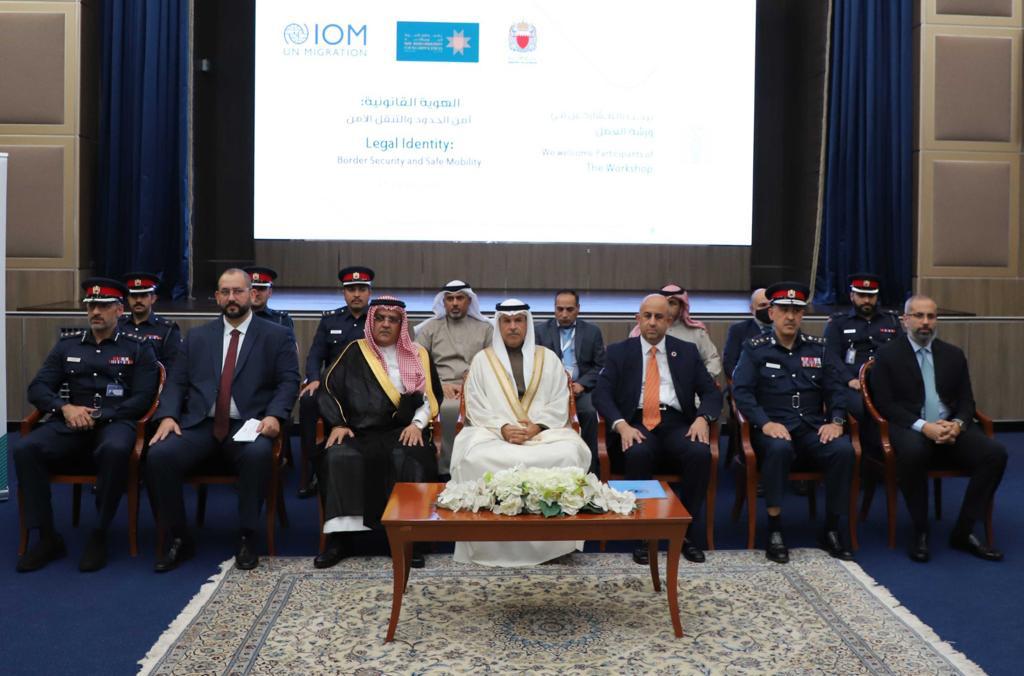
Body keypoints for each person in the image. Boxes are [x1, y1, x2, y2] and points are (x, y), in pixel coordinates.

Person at [146, 268, 300, 572]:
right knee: (159, 455)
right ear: (217, 297)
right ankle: (179, 537)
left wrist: (274, 415)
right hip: (201, 424)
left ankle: (247, 536)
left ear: (251, 294)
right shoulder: (197, 337)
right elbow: (176, 382)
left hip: (249, 424)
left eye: (238, 291)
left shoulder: (276, 336)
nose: (232, 298)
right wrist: (168, 416)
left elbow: (288, 381)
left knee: (257, 455)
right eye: (225, 292)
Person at [14, 279, 159, 572]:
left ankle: (99, 533)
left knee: (115, 450)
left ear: (119, 310)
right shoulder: (67, 346)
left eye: (103, 306)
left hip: (116, 421)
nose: (95, 312)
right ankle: (46, 537)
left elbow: (144, 398)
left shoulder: (138, 348)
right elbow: (38, 388)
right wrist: (65, 408)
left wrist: (100, 415)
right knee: (25, 449)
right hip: (72, 421)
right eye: (91, 306)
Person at [451, 299, 591, 567]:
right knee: (473, 457)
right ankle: (488, 543)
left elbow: (559, 400)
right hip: (493, 432)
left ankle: (554, 544)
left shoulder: (548, 358)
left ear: (527, 324)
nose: (513, 327)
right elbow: (476, 405)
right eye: (506, 321)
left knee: (569, 453)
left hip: (543, 432)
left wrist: (537, 426)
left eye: (518, 321)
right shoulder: (482, 360)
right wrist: (503, 428)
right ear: (498, 325)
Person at [869, 295, 1007, 562]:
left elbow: (967, 402)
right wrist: (924, 427)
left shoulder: (953, 354)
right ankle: (920, 530)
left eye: (931, 316)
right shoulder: (887, 355)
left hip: (949, 427)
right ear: (905, 320)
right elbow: (885, 405)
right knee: (914, 451)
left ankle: (964, 531)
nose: (925, 322)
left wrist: (958, 424)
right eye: (918, 316)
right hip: (910, 425)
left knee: (995, 454)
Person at [732, 281, 856, 563]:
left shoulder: (818, 348)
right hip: (773, 426)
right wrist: (764, 423)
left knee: (843, 450)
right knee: (778, 449)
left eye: (796, 311)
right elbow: (741, 392)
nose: (790, 317)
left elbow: (836, 389)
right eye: (784, 310)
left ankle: (832, 528)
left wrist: (836, 421)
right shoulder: (755, 349)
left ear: (802, 315)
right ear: (771, 313)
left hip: (812, 427)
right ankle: (775, 529)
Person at [315, 296, 443, 569]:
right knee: (337, 457)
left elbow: (429, 399)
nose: (385, 324)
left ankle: (410, 537)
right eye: (380, 318)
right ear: (371, 321)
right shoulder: (354, 351)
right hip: (360, 432)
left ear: (401, 324)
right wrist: (338, 423)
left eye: (392, 320)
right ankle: (340, 539)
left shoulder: (418, 354)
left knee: (413, 458)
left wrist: (417, 425)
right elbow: (328, 388)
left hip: (403, 430)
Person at [594, 294, 721, 565]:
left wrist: (703, 418)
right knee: (638, 453)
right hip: (636, 421)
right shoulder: (619, 351)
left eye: (659, 317)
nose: (652, 322)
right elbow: (601, 394)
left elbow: (711, 393)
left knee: (700, 453)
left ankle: (687, 534)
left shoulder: (686, 351)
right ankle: (643, 535)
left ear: (669, 321)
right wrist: (621, 425)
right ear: (638, 319)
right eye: (647, 316)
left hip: (676, 422)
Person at [296, 266, 374, 498]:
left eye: (362, 289)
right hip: (333, 387)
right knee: (308, 400)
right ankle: (313, 465)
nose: (356, 294)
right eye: (351, 289)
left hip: (369, 386)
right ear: (344, 293)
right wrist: (314, 378)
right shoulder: (330, 320)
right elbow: (315, 355)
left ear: (369, 292)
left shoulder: (380, 319)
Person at [413, 280, 492, 478]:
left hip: (475, 386)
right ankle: (446, 471)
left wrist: (468, 383)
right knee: (448, 408)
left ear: (469, 301)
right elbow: (416, 362)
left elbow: (493, 363)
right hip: (438, 386)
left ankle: (475, 467)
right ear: (443, 302)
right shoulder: (430, 328)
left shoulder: (485, 329)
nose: (455, 303)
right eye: (450, 299)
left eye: (459, 298)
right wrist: (440, 385)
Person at [534, 289, 606, 474]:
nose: (564, 314)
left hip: (580, 388)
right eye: (560, 309)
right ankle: (547, 469)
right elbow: (534, 365)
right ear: (554, 309)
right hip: (550, 390)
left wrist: (582, 384)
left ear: (578, 309)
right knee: (538, 415)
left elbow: (600, 366)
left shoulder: (592, 332)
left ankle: (590, 470)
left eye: (569, 309)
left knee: (589, 413)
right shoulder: (540, 331)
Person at [823, 273, 902, 421]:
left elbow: (901, 353)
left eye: (871, 296)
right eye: (861, 295)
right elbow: (830, 356)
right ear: (852, 296)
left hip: (886, 380)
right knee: (858, 407)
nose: (866, 300)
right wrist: (848, 379)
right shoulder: (838, 322)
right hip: (853, 382)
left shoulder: (891, 320)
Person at [631, 284, 721, 379]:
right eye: (664, 302)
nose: (666, 307)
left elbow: (712, 360)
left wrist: (702, 381)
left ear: (681, 307)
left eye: (671, 303)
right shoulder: (642, 331)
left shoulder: (696, 332)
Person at [118, 271, 182, 370]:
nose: (138, 300)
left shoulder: (167, 330)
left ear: (153, 298)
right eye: (134, 296)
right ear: (128, 298)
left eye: (143, 295)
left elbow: (173, 368)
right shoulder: (117, 325)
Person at [723, 288, 771, 379]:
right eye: (763, 305)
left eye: (771, 304)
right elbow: (729, 365)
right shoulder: (738, 330)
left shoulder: (784, 329)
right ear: (752, 309)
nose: (769, 309)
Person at [244, 266, 296, 342]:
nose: (256, 293)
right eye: (252, 288)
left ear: (270, 292)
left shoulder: (281, 319)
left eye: (261, 289)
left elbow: (291, 348)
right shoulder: (236, 318)